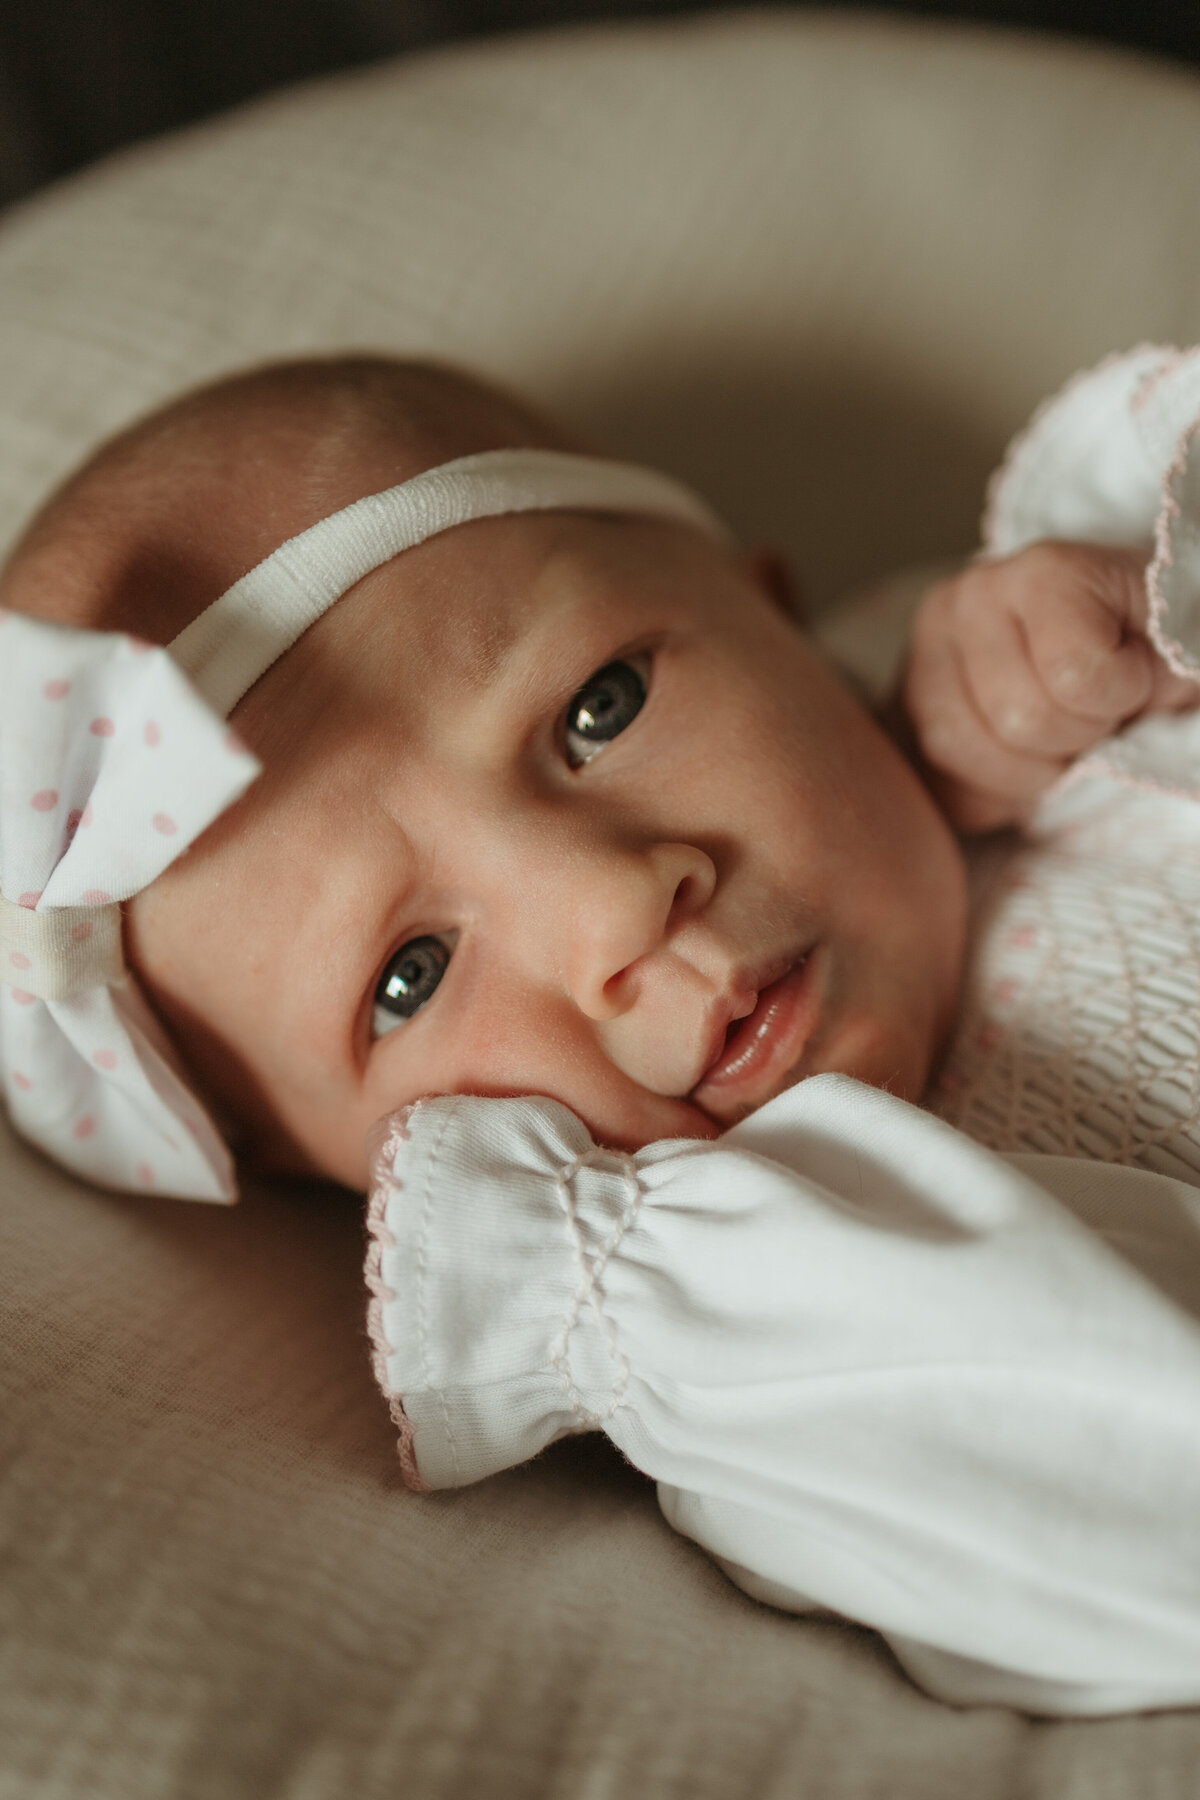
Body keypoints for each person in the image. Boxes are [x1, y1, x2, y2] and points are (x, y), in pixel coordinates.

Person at [6, 346, 1200, 1710]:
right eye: (409, 976)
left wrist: (1141, 645)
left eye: (600, 708)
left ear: (771, 612)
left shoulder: (1060, 661)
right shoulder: (721, 1343)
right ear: (347, 1181)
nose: (617, 906)